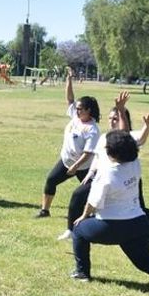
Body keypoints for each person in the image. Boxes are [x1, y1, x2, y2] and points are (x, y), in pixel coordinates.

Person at [68, 129, 149, 286]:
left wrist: (83, 217)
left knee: (79, 230)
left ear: (112, 152)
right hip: (139, 224)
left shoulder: (107, 173)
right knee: (144, 261)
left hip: (111, 227)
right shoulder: (135, 164)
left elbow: (93, 202)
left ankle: (82, 272)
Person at [59, 92, 149, 242]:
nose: (112, 122)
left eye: (115, 119)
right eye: (110, 119)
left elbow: (137, 136)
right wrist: (90, 172)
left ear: (122, 119)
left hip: (125, 177)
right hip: (102, 177)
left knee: (138, 207)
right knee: (78, 195)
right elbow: (97, 156)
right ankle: (71, 229)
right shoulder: (103, 137)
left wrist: (143, 124)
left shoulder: (128, 137)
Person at [36, 66, 100, 218]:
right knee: (51, 180)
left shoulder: (92, 129)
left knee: (89, 190)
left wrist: (76, 166)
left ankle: (94, 214)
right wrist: (69, 79)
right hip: (66, 161)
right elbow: (70, 99)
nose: (77, 111)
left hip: (84, 166)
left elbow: (88, 152)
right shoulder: (76, 118)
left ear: (89, 110)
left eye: (80, 109)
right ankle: (45, 210)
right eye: (77, 109)